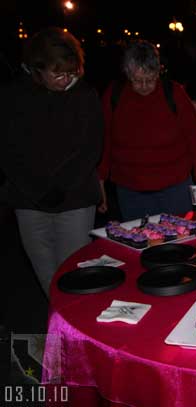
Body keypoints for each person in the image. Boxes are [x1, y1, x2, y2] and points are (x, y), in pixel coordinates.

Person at [0, 27, 104, 297]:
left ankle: (74, 334)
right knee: (47, 276)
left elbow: (90, 148)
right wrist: (35, 190)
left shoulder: (84, 95)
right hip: (29, 200)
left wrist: (63, 186)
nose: (65, 79)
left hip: (75, 199)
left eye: (71, 72)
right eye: (58, 73)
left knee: (73, 274)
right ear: (37, 70)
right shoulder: (14, 97)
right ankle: (60, 331)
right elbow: (8, 151)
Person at [97, 40, 196, 221]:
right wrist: (100, 179)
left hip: (175, 189)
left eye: (150, 79)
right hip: (130, 191)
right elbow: (105, 140)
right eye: (137, 80)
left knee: (179, 241)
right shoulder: (114, 95)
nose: (144, 86)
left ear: (159, 72)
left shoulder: (175, 94)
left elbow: (195, 142)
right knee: (139, 242)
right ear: (127, 73)